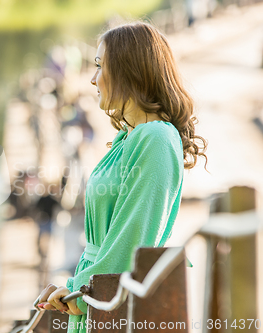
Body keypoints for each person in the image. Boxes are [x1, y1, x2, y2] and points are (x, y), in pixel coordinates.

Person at [35, 21, 208, 333]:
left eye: (101, 66)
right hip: (100, 291)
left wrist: (85, 293)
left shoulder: (155, 138)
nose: (92, 78)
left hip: (115, 300)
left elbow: (133, 234)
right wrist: (78, 287)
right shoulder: (127, 139)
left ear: (129, 70)